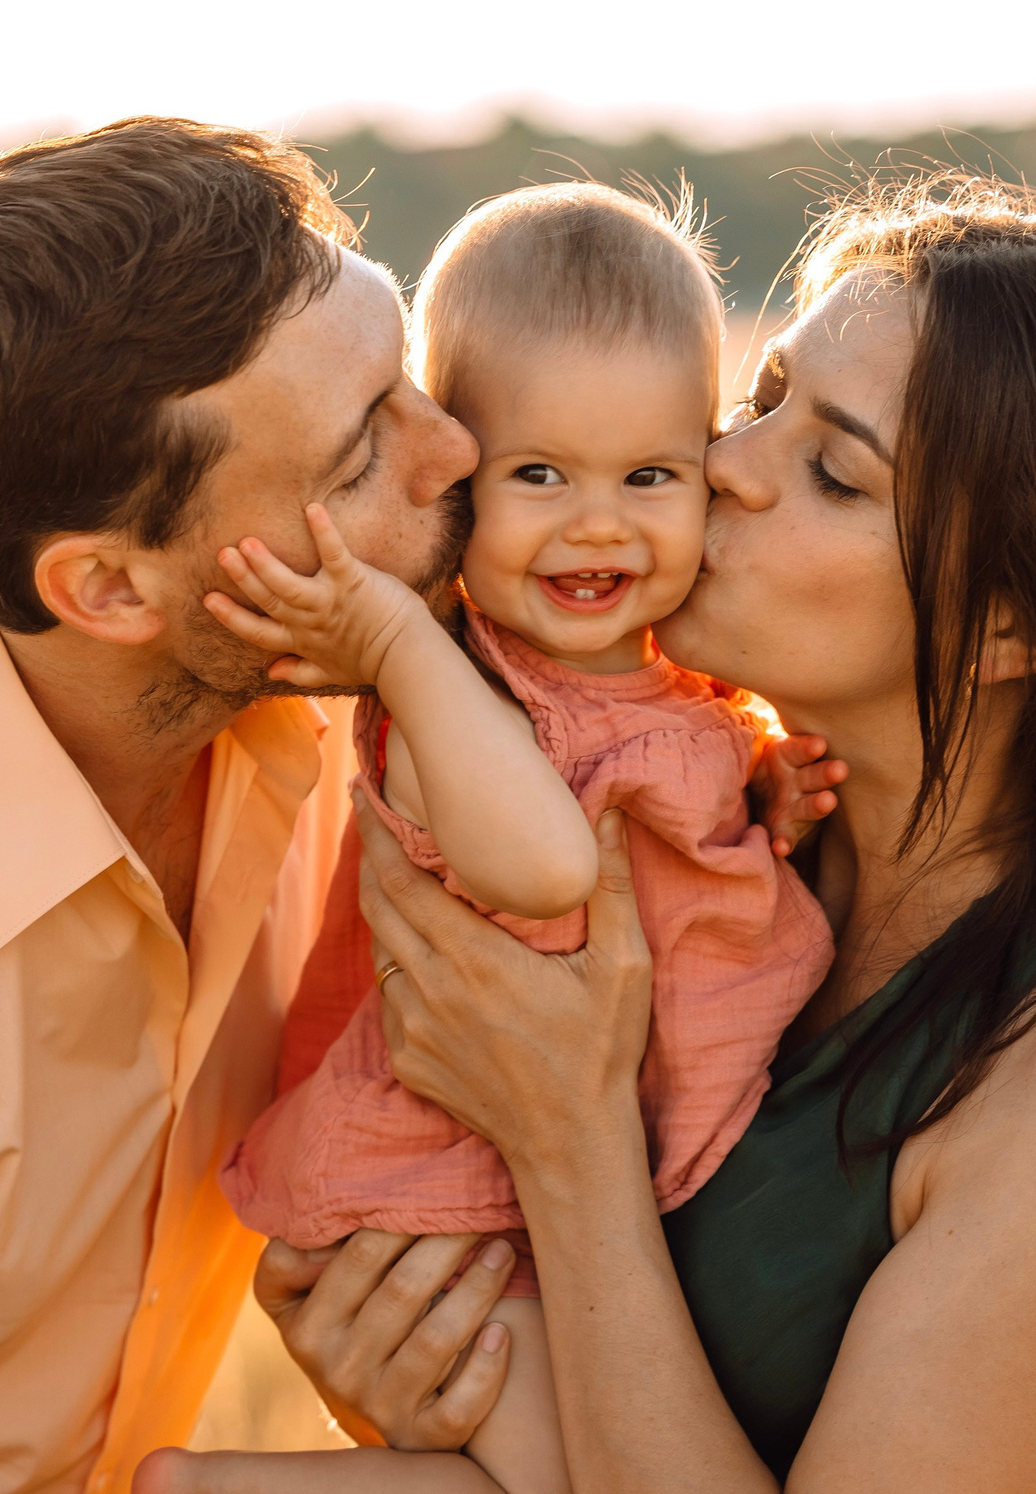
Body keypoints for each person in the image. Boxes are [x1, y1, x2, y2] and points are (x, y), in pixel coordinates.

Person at [142, 178, 1036, 1494]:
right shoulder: (719, 830)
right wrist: (418, 1379)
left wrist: (569, 1149)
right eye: (759, 399)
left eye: (831, 470)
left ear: (1004, 627)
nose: (720, 465)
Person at [0, 117, 478, 1493]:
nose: (457, 449)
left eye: (405, 373)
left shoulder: (346, 705)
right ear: (109, 590)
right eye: (359, 458)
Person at [207, 185, 840, 1493]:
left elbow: (666, 834)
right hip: (442, 1197)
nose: (596, 523)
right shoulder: (462, 690)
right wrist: (385, 640)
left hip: (534, 1178)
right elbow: (548, 866)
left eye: (649, 476)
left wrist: (761, 797)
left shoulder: (670, 685)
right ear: (455, 470)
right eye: (536, 474)